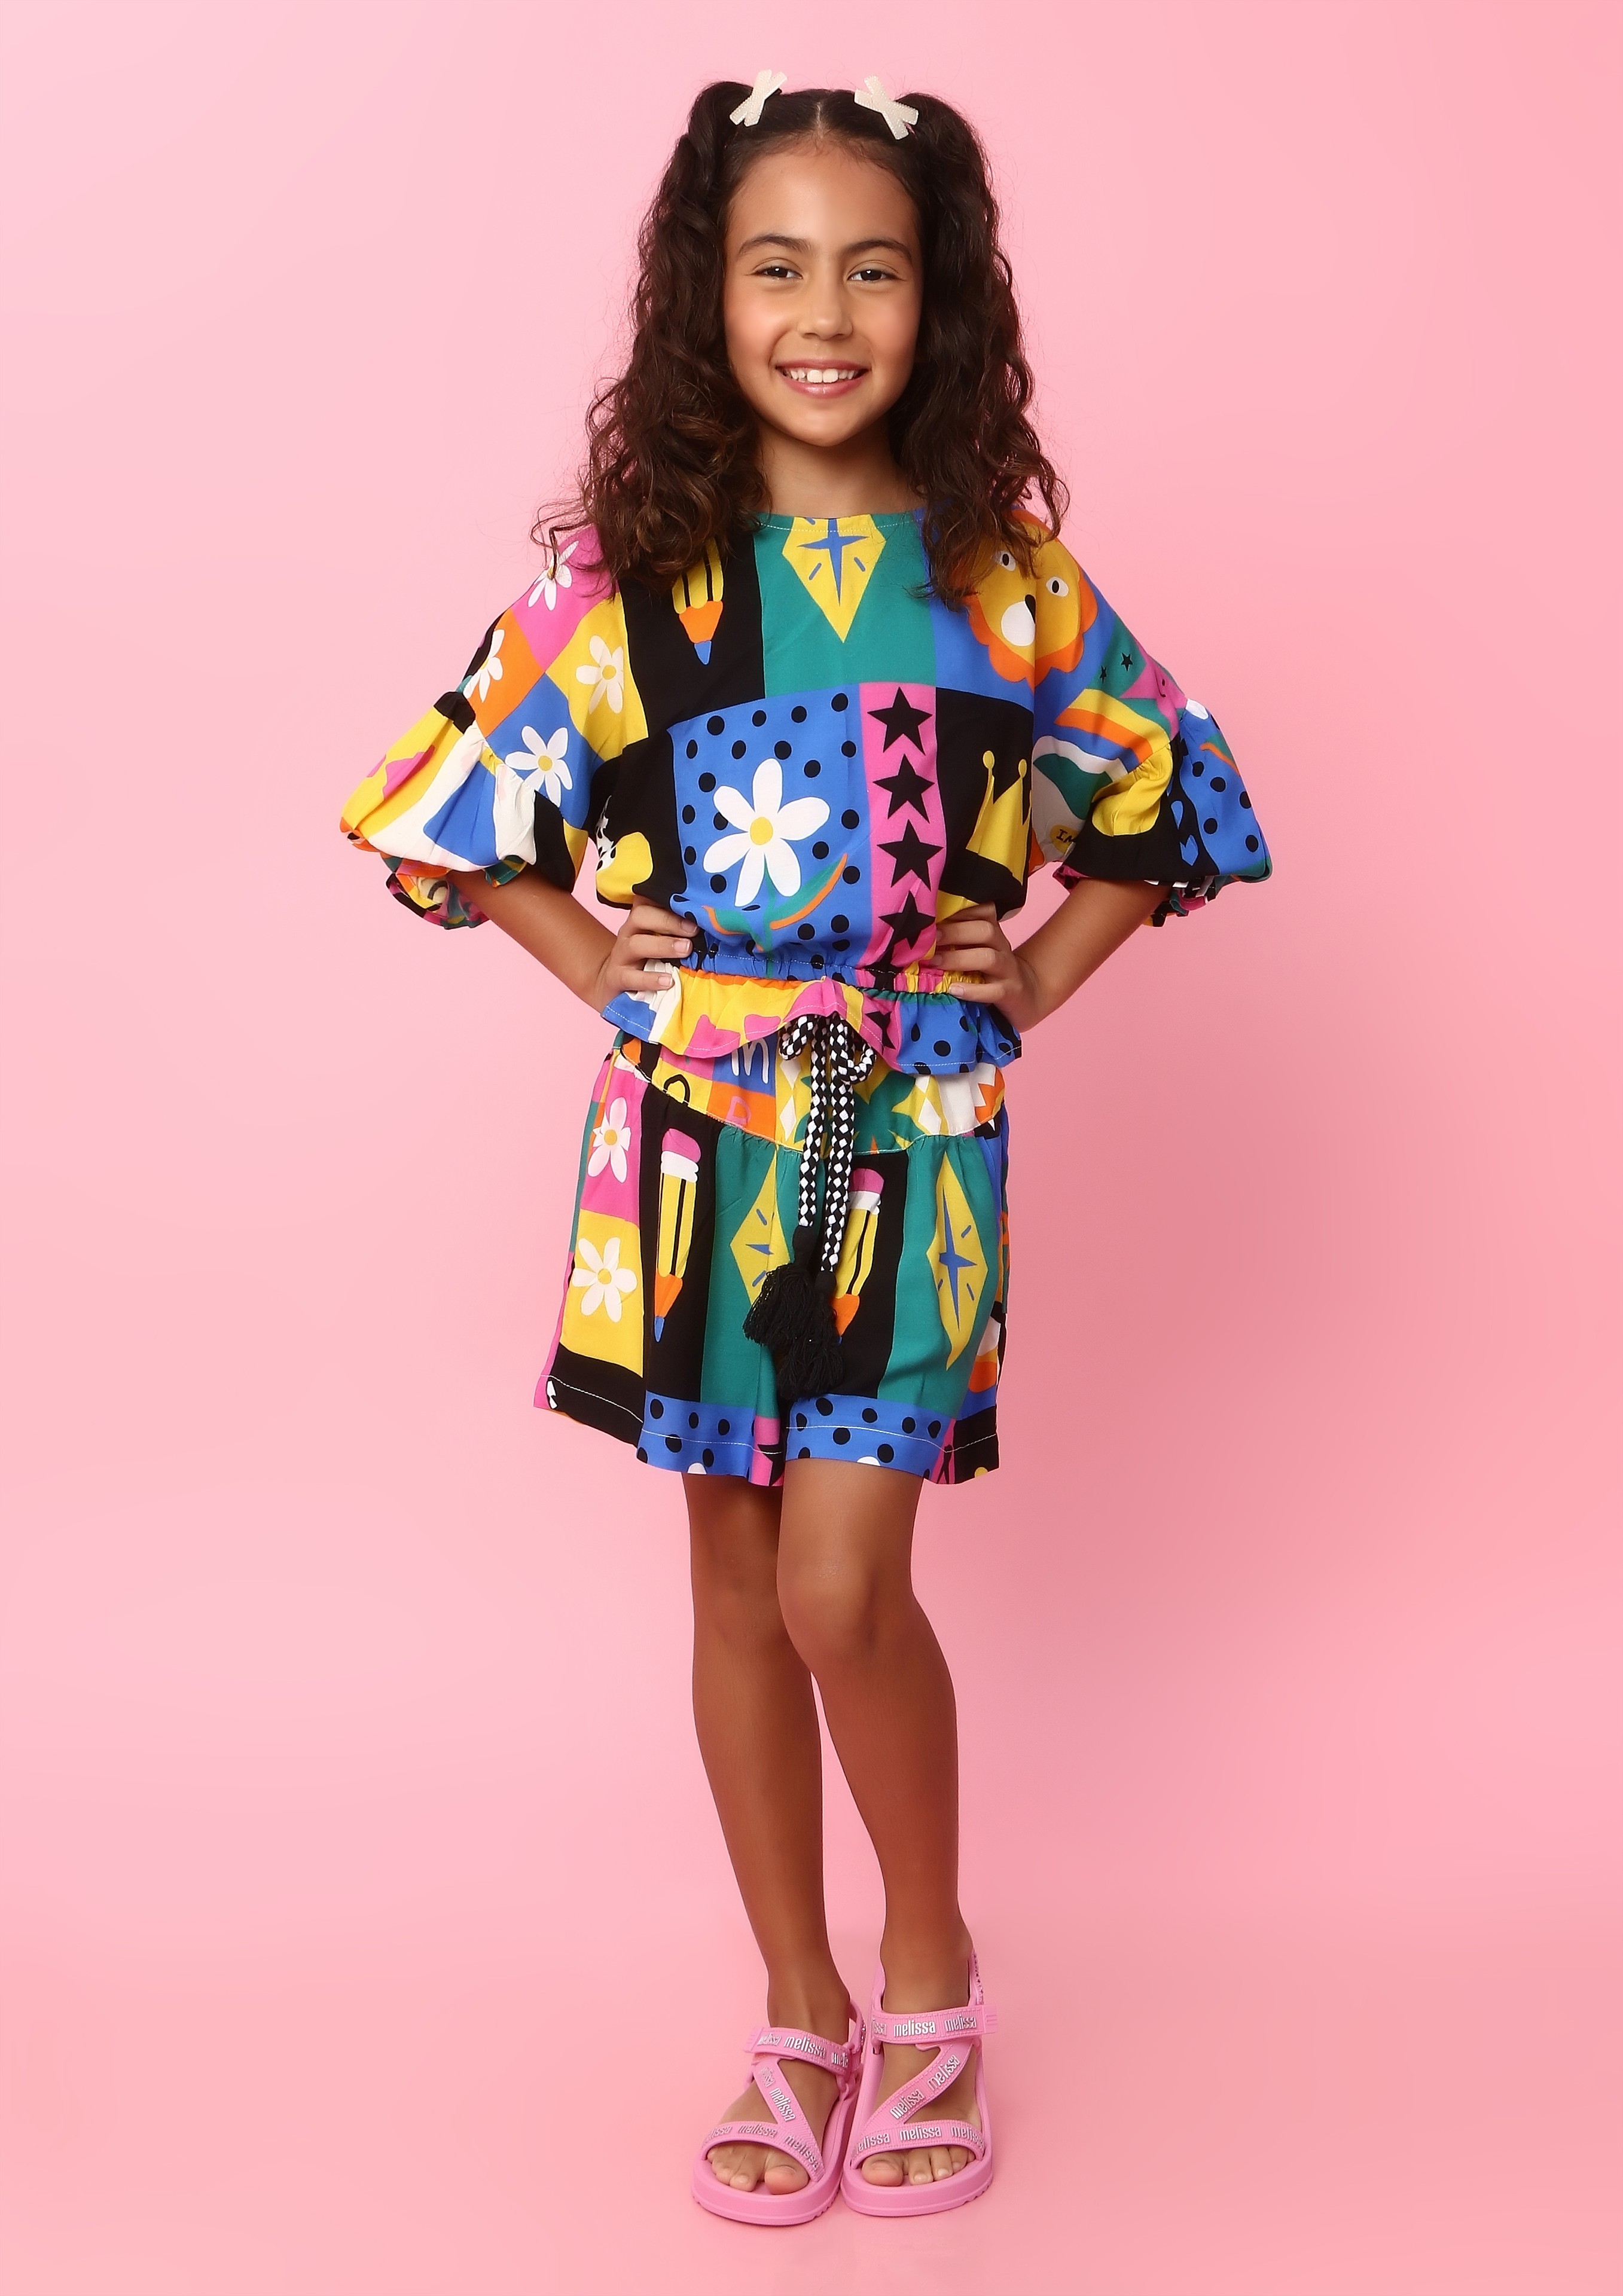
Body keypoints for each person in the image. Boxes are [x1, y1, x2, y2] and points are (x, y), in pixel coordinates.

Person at [339, 75, 1270, 2226]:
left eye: (873, 269)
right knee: (740, 1586)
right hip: (688, 1131)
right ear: (706, 297)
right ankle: (794, 2005)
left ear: (940, 304)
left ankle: (928, 1974)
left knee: (845, 1582)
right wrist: (599, 959)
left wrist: (1034, 977)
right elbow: (447, 803)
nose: (825, 315)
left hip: (901, 1115)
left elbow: (1166, 791)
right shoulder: (626, 587)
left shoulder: (1000, 578)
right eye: (776, 268)